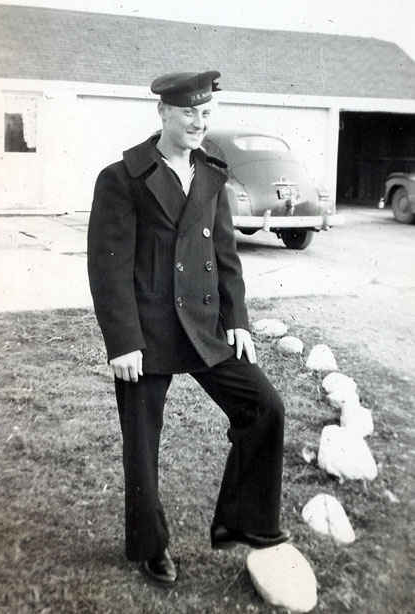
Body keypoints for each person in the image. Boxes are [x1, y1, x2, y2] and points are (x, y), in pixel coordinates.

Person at [87, 70, 289, 586]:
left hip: (202, 327)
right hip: (147, 333)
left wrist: (236, 320)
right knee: (142, 443)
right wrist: (123, 341)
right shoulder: (123, 176)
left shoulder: (212, 175)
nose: (199, 123)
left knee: (264, 407)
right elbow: (108, 266)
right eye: (188, 113)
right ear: (163, 114)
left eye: (205, 114)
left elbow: (225, 255)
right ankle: (150, 547)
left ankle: (246, 522)